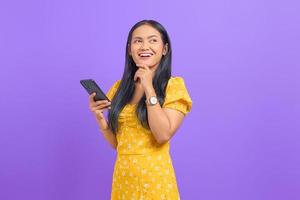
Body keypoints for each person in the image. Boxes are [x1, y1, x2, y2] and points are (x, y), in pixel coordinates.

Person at [88, 19, 192, 200]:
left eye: (153, 40)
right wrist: (100, 120)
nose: (145, 46)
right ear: (130, 50)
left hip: (155, 182)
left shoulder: (173, 86)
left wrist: (149, 87)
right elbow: (120, 145)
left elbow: (162, 135)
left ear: (164, 49)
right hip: (123, 180)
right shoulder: (119, 88)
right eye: (138, 41)